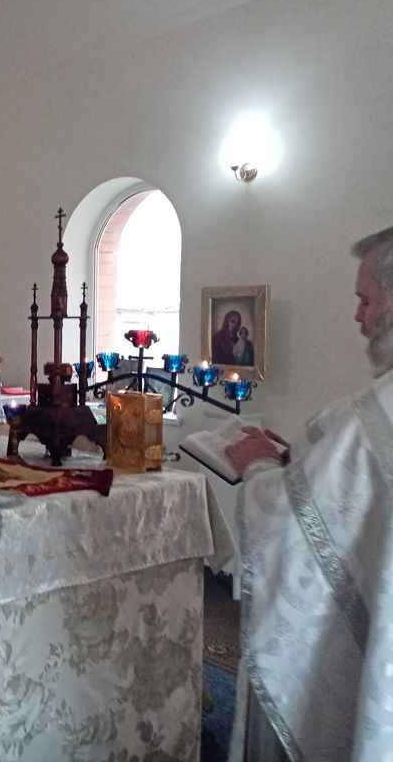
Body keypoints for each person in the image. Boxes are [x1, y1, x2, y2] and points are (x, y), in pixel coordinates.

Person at [224, 226, 393, 761]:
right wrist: (296, 460)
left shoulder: (377, 415)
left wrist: (259, 468)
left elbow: (290, 520)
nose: (358, 317)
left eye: (366, 300)